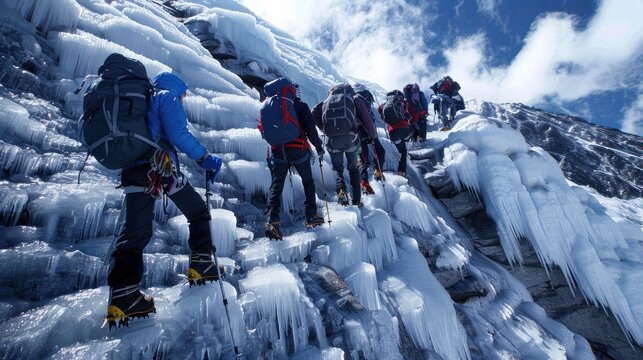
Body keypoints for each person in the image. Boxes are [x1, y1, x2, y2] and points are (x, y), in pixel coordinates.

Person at [105, 72, 223, 327]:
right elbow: (179, 134)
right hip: (160, 167)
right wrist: (205, 158)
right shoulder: (167, 97)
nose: (184, 97)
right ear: (178, 88)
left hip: (135, 170)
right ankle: (202, 264)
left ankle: (123, 295)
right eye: (184, 93)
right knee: (199, 211)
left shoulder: (145, 100)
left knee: (135, 232)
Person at [260, 78, 325, 240]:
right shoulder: (300, 105)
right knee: (308, 181)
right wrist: (318, 147)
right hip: (298, 149)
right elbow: (311, 130)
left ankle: (271, 220)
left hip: (277, 151)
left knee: (276, 185)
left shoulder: (267, 105)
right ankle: (311, 216)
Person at [317, 83, 362, 207]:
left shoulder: (326, 101)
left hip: (332, 140)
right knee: (353, 168)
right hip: (350, 138)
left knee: (338, 169)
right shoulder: (350, 99)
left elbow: (314, 112)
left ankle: (341, 193)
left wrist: (324, 129)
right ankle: (357, 200)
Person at [352, 84, 385, 195]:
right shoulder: (362, 99)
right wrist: (373, 135)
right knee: (380, 151)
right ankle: (377, 171)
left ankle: (364, 182)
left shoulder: (348, 99)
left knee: (361, 159)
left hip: (353, 134)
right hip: (365, 131)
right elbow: (367, 118)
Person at [378, 90, 412, 178]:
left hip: (393, 132)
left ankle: (398, 171)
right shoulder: (402, 103)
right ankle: (402, 171)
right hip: (404, 130)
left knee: (400, 150)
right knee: (404, 151)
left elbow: (380, 115)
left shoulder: (384, 105)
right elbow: (408, 116)